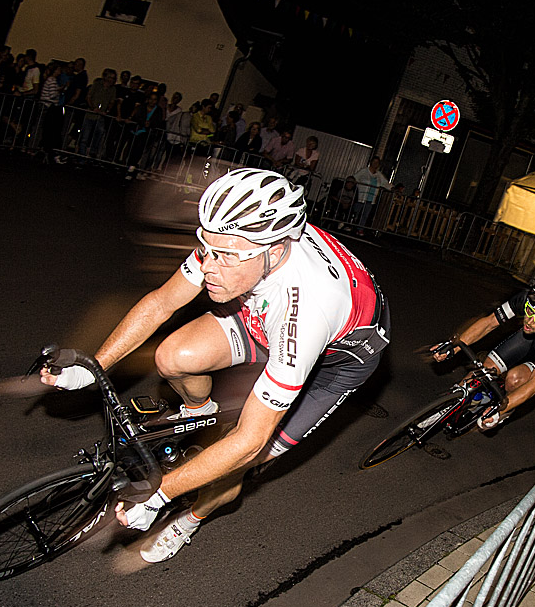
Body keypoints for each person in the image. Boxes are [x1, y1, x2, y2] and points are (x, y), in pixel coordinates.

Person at [40, 168, 391, 563]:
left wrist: (160, 496)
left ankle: (187, 522)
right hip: (264, 307)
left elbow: (248, 442)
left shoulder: (306, 310)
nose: (208, 265)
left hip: (335, 361)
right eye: (205, 247)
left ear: (274, 251)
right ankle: (200, 413)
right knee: (172, 357)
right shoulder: (239, 241)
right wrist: (94, 367)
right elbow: (161, 303)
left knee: (237, 462)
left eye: (223, 256)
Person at [431, 280, 535, 430]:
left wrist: (500, 409)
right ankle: (447, 405)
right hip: (530, 339)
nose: (530, 320)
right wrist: (454, 346)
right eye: (529, 311)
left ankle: (505, 412)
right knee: (484, 370)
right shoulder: (526, 299)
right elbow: (490, 322)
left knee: (514, 379)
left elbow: (534, 383)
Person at [78, 68, 117, 159]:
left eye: (113, 78)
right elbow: (89, 97)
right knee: (85, 137)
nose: (111, 80)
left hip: (101, 117)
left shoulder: (112, 89)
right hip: (90, 114)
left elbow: (112, 102)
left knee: (98, 136)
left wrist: (107, 110)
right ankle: (81, 157)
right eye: (110, 77)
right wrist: (93, 107)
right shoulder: (97, 84)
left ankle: (92, 154)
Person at [352, 156, 392, 230]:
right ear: (371, 162)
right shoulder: (364, 171)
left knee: (365, 215)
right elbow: (354, 178)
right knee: (356, 212)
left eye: (377, 163)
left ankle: (360, 229)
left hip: (371, 198)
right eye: (374, 162)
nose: (375, 164)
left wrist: (392, 188)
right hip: (361, 196)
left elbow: (385, 183)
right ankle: (351, 225)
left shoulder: (379, 175)